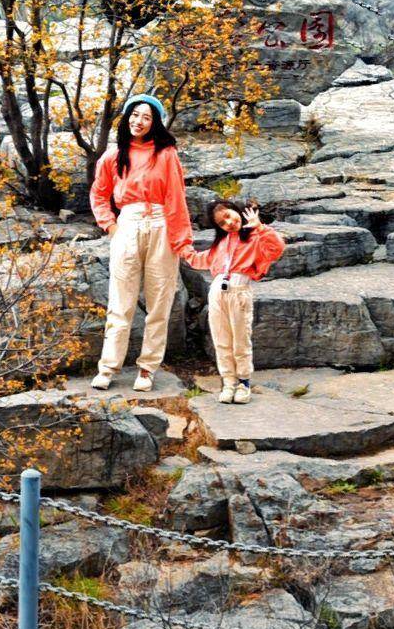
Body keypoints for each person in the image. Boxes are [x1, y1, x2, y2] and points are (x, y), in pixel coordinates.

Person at [89, 93, 194, 394]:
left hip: (161, 223)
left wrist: (181, 238)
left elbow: (176, 197)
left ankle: (147, 369)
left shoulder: (166, 153)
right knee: (120, 302)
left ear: (154, 122)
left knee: (159, 301)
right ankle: (108, 367)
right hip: (128, 224)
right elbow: (99, 193)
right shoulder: (112, 155)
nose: (139, 121)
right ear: (127, 117)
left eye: (147, 117)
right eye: (135, 115)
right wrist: (109, 225)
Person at [186, 200, 285, 404]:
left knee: (240, 339)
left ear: (238, 211)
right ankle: (228, 381)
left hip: (239, 292)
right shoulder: (220, 244)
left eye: (230, 216)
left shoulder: (255, 237)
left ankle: (243, 382)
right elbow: (199, 259)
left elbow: (277, 249)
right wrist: (181, 248)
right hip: (217, 293)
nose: (229, 223)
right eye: (222, 223)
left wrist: (260, 227)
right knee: (221, 339)